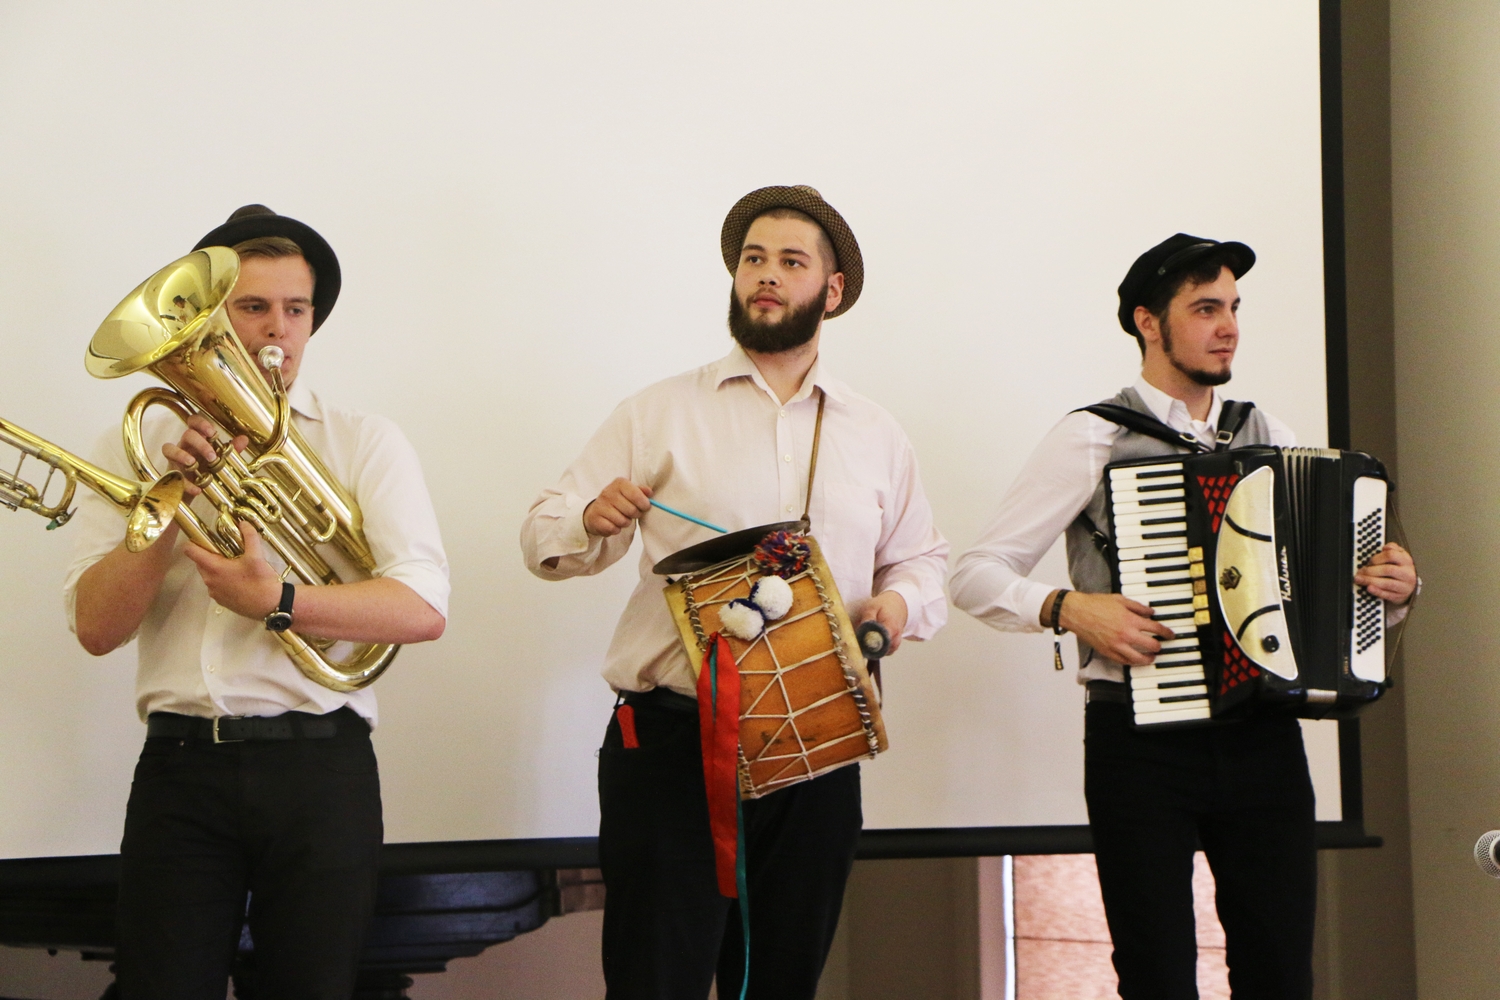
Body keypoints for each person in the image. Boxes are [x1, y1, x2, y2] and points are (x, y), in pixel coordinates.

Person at [948, 233, 1417, 1000]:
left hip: (1263, 737)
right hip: (1139, 746)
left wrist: (1388, 594)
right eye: (1205, 309)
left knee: (1280, 973)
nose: (1228, 326)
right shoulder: (1093, 435)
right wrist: (1070, 608)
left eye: (1233, 307)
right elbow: (975, 575)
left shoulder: (1268, 433)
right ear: (1148, 322)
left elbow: (1323, 600)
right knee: (1156, 975)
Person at [521, 185, 949, 1000]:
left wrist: (895, 609)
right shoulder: (657, 412)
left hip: (819, 742)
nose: (767, 275)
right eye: (754, 259)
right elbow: (544, 536)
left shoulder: (876, 432)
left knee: (781, 984)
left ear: (832, 291)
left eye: (790, 262)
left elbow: (922, 561)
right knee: (655, 983)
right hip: (673, 744)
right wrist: (587, 516)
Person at [63, 205, 450, 1000]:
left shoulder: (364, 440)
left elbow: (420, 608)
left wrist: (276, 599)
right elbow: (97, 628)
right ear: (207, 320)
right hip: (181, 767)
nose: (278, 328)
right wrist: (170, 501)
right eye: (252, 306)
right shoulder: (137, 448)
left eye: (295, 309)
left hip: (320, 767)